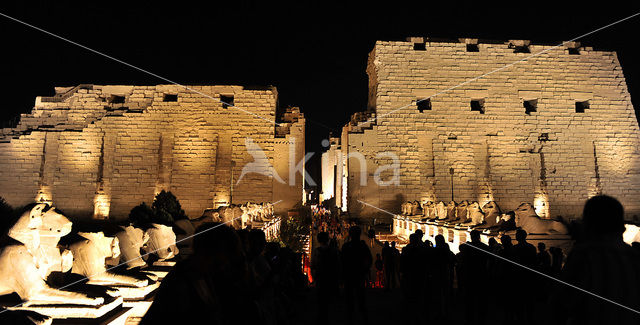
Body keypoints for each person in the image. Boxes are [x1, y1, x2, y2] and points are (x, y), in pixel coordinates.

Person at [141, 222, 260, 324]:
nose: (226, 263)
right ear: (213, 252)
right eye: (226, 255)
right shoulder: (180, 283)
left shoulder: (203, 275)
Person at [552, 195, 640, 324]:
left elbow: (561, 303)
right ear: (621, 226)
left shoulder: (585, 254)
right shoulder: (634, 256)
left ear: (588, 225)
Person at [341, 226, 372, 325]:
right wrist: (365, 270)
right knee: (361, 298)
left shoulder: (346, 246)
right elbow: (369, 259)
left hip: (349, 275)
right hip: (360, 274)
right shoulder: (363, 246)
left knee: (349, 298)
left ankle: (350, 318)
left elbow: (342, 261)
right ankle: (363, 318)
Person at [458, 230, 490, 325]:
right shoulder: (485, 247)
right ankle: (481, 318)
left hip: (470, 275)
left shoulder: (467, 247)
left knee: (470, 300)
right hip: (481, 275)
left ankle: (470, 318)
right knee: (481, 300)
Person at [311, 231, 340, 324]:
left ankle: (321, 318)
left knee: (321, 301)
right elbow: (338, 265)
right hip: (331, 278)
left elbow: (313, 265)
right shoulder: (334, 251)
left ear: (318, 240)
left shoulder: (316, 251)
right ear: (328, 240)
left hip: (320, 278)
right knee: (331, 301)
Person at [400, 232, 429, 324]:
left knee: (410, 296)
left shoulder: (406, 249)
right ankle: (418, 315)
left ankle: (410, 315)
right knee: (419, 296)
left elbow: (402, 262)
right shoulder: (423, 249)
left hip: (410, 275)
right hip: (419, 275)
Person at [432, 234, 454, 322]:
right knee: (445, 294)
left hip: (437, 274)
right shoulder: (446, 250)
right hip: (445, 273)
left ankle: (439, 312)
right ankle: (446, 312)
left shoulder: (435, 250)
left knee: (438, 294)